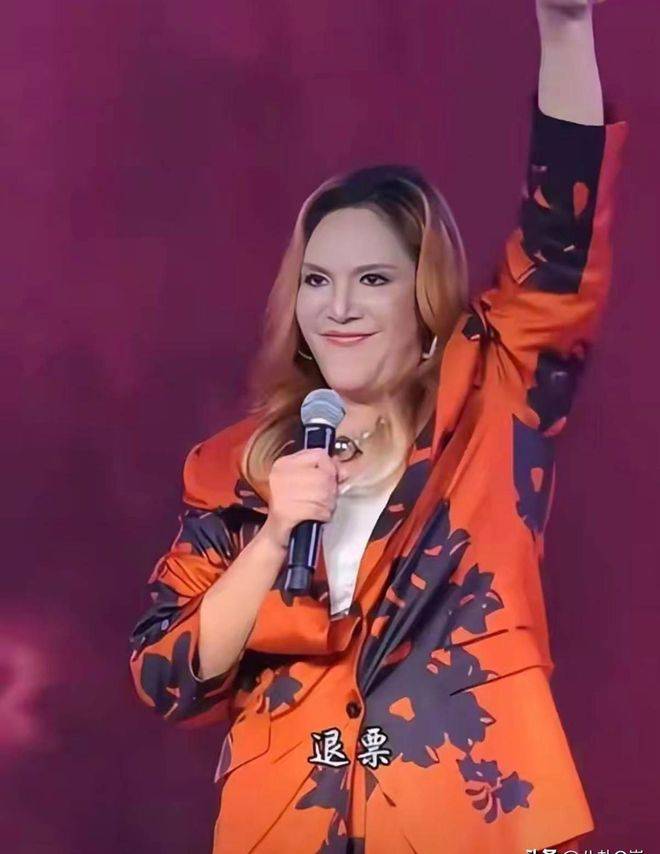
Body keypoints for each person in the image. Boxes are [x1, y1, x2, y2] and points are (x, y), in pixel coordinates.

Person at [128, 1, 628, 851]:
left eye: (373, 279)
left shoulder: (493, 400)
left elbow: (562, 238)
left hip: (470, 817)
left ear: (425, 295)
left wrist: (566, 27)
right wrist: (272, 536)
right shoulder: (233, 469)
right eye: (317, 281)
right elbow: (164, 678)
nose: (340, 308)